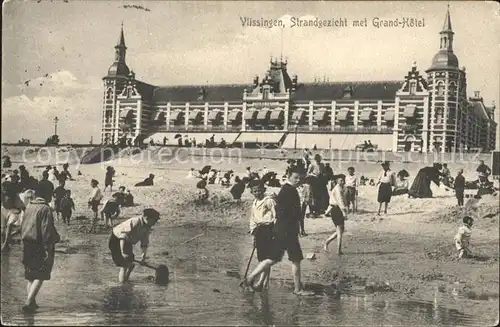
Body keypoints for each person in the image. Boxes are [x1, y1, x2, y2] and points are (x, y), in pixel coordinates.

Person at [240, 167, 314, 296]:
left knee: (276, 258)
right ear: (289, 176)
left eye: (300, 178)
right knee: (292, 258)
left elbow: (282, 210)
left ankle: (251, 278)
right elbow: (290, 212)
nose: (298, 180)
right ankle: (297, 289)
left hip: (283, 228)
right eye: (296, 178)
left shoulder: (286, 190)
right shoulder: (289, 190)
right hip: (288, 230)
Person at [20, 181, 60, 313]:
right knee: (41, 274)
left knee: (31, 275)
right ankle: (28, 302)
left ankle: (32, 302)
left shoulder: (29, 206)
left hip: (27, 244)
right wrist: (49, 249)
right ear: (49, 194)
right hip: (40, 245)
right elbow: (46, 231)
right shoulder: (45, 209)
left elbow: (23, 225)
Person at [108, 208, 160, 283]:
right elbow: (123, 236)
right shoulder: (135, 222)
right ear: (146, 218)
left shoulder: (147, 227)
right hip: (116, 240)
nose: (155, 223)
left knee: (131, 264)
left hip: (127, 241)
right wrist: (123, 253)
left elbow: (144, 243)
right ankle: (122, 285)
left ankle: (126, 279)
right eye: (154, 221)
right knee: (124, 264)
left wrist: (143, 256)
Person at [248, 179, 276, 291]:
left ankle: (262, 282)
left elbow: (276, 216)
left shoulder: (268, 201)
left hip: (268, 229)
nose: (257, 193)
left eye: (259, 190)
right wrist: (253, 232)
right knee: (262, 258)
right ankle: (265, 283)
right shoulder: (254, 202)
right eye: (254, 191)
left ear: (263, 190)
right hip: (258, 230)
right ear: (251, 192)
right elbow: (252, 218)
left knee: (266, 257)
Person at [323, 175, 347, 255]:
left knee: (340, 230)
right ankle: (338, 250)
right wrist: (344, 212)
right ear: (337, 181)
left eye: (343, 180)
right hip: (337, 210)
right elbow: (339, 201)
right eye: (341, 180)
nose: (343, 181)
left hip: (336, 209)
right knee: (340, 230)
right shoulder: (337, 189)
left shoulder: (340, 188)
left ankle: (326, 242)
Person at [1, 181, 26, 252]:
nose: (3, 190)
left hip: (14, 211)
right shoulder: (2, 194)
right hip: (4, 210)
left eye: (4, 188)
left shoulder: (14, 195)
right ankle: (5, 243)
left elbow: (22, 206)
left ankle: (5, 244)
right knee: (2, 230)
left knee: (9, 225)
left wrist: (26, 217)